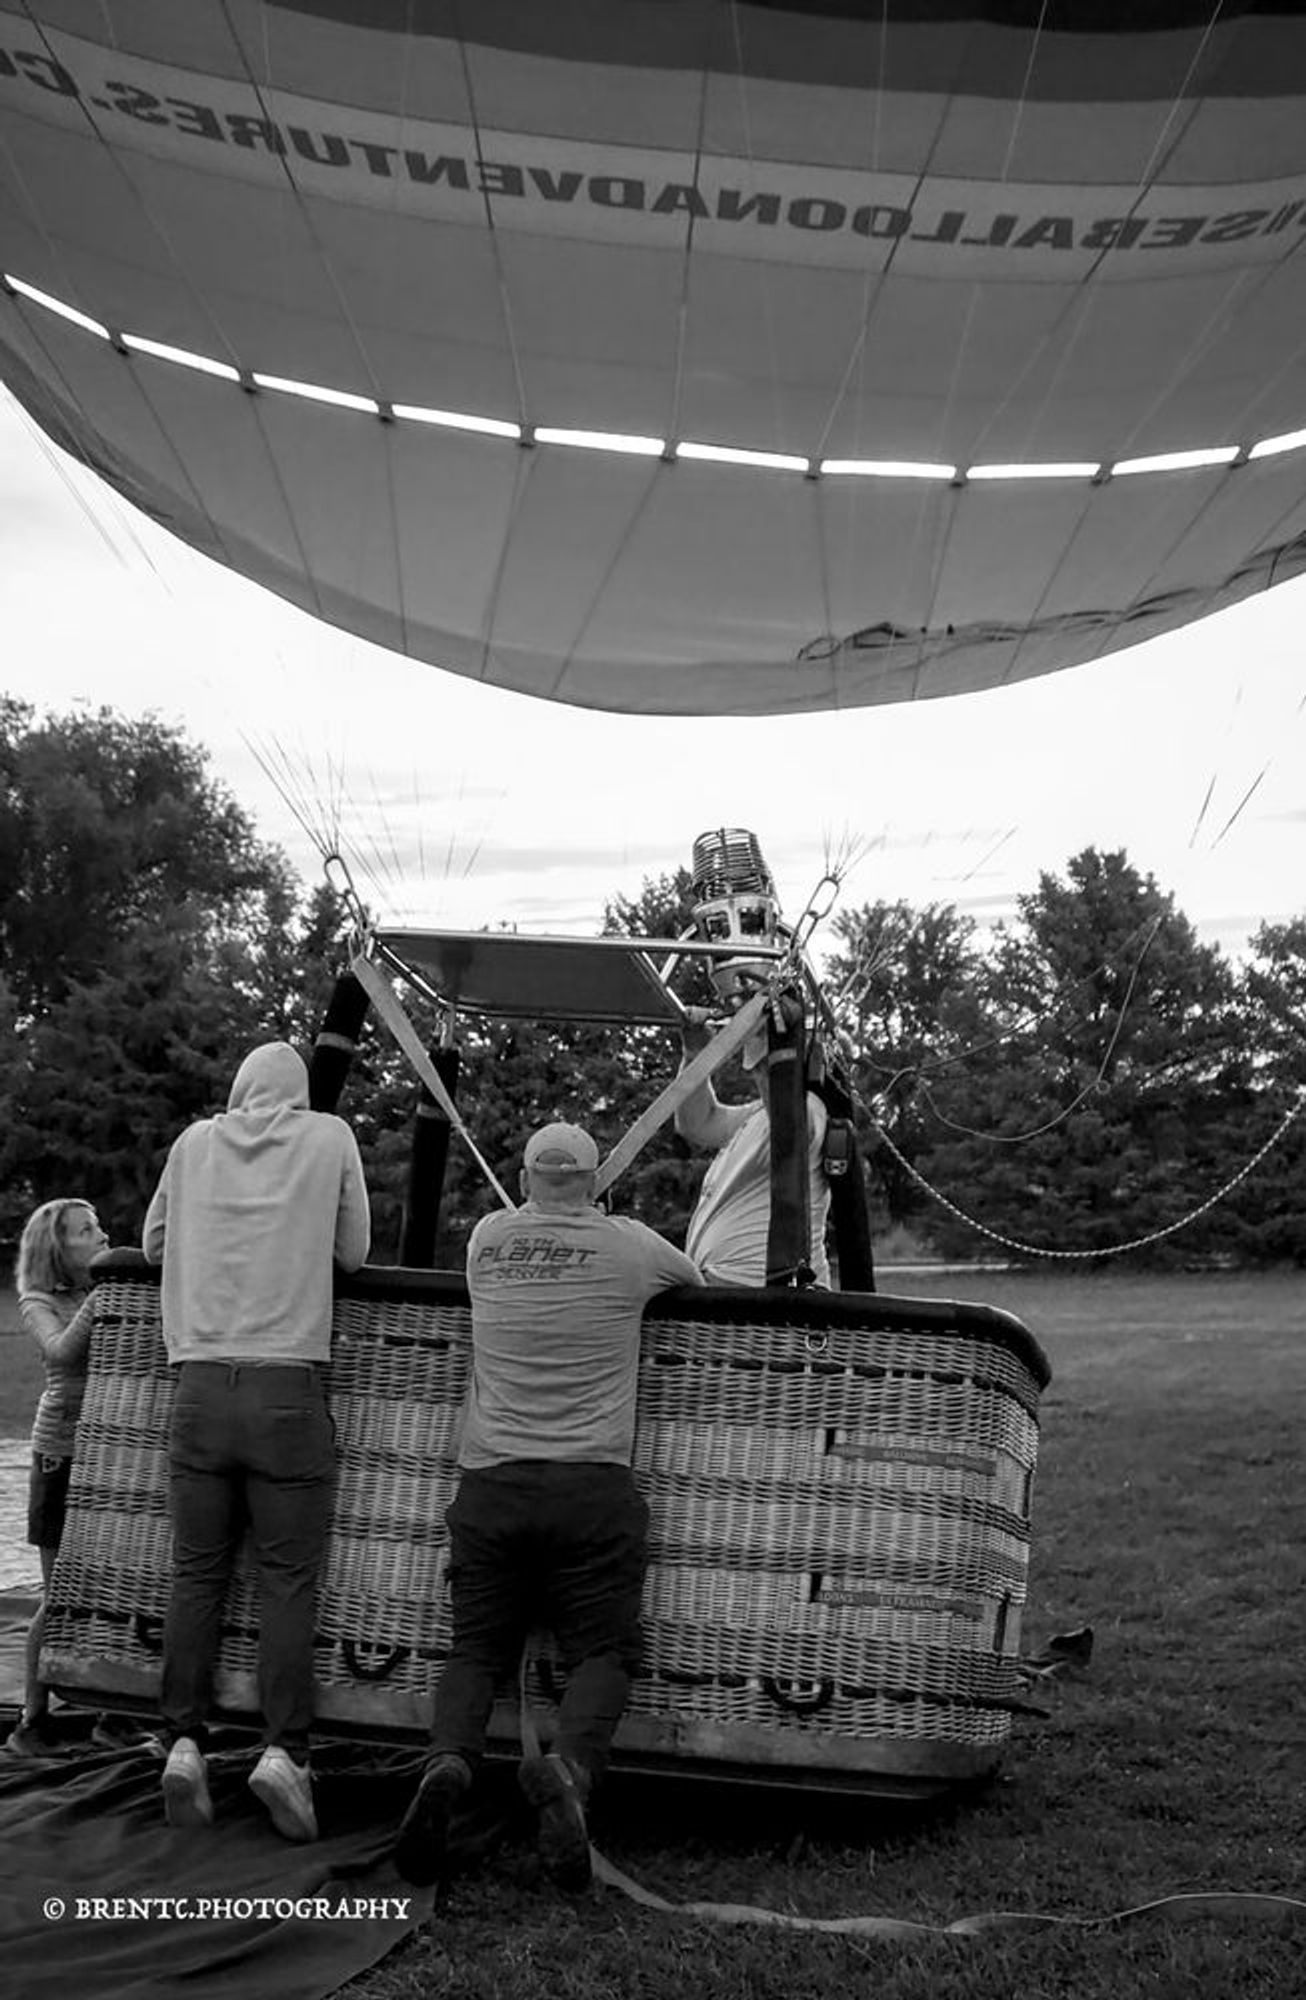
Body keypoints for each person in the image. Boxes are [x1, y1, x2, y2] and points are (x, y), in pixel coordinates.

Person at [395, 1121, 702, 1892]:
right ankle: (568, 1770)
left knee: (475, 1651)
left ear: (527, 1177)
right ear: (596, 1182)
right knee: (606, 1651)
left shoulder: (488, 1239)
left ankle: (447, 1765)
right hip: (590, 1489)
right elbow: (695, 1276)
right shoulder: (631, 1247)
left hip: (491, 1486)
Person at [142, 1040, 370, 1841]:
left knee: (196, 1577)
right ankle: (285, 1753)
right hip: (287, 1387)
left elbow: (152, 1246)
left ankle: (182, 1740)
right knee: (286, 1582)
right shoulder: (328, 1137)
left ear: (239, 1088)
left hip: (199, 1384)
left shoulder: (193, 1144)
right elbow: (354, 1253)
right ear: (299, 1094)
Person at [6, 1198, 117, 1756]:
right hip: (61, 1455)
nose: (101, 1235)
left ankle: (110, 1711)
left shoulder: (103, 1293)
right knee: (61, 1594)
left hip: (109, 1453)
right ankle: (32, 1717)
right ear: (58, 1246)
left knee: (110, 1588)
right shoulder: (38, 1300)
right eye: (86, 1230)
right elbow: (60, 1351)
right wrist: (101, 1300)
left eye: (98, 1226)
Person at [675, 1010, 831, 1287]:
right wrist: (696, 1055)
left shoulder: (812, 1110)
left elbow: (790, 1124)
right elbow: (696, 1123)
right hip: (735, 1289)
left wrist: (776, 1036)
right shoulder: (756, 1116)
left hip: (765, 1291)